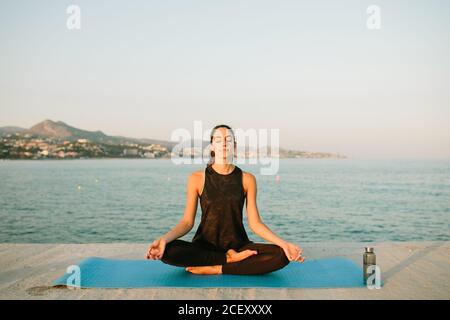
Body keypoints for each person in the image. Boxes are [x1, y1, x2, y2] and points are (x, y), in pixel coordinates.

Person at [146, 124, 304, 275]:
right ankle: (228, 260)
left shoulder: (247, 179)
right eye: (218, 140)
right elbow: (187, 222)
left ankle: (216, 268)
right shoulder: (197, 178)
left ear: (234, 147)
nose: (224, 144)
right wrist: (163, 239)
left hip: (239, 246)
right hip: (204, 247)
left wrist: (284, 244)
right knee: (167, 251)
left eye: (228, 140)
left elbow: (255, 223)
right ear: (212, 146)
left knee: (281, 255)